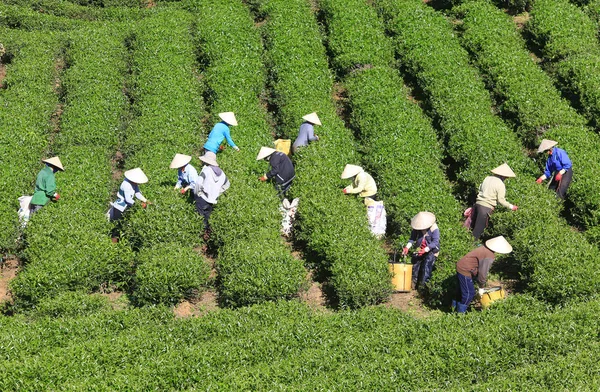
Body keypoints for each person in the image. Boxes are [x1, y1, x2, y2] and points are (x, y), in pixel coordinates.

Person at [454, 235, 512, 313]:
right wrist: (481, 286)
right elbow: (483, 272)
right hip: (465, 270)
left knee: (461, 291)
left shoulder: (484, 248)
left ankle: (453, 309)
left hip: (462, 266)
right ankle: (459, 315)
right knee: (469, 293)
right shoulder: (489, 255)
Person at [470, 163, 518, 240]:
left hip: (477, 204)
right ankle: (471, 247)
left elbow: (480, 189)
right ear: (504, 176)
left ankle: (466, 243)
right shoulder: (500, 184)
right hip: (486, 208)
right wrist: (511, 206)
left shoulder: (487, 178)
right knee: (478, 231)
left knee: (472, 226)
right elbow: (501, 200)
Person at [194, 152, 230, 240]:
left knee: (199, 216)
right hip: (212, 200)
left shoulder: (206, 170)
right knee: (207, 216)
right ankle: (207, 233)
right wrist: (218, 192)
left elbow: (198, 182)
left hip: (203, 197)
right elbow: (227, 184)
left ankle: (199, 236)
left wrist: (197, 193)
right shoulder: (222, 173)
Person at [109, 168, 150, 242]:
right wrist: (139, 204)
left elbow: (137, 193)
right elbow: (128, 200)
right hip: (120, 208)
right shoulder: (126, 185)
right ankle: (113, 244)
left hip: (126, 207)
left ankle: (122, 242)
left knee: (124, 225)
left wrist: (145, 200)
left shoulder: (134, 183)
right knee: (117, 226)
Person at [401, 212, 439, 290]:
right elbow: (412, 239)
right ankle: (413, 283)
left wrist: (425, 249)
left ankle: (423, 287)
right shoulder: (416, 228)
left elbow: (435, 242)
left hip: (431, 249)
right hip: (420, 248)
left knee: (426, 266)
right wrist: (407, 247)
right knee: (415, 263)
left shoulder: (434, 228)